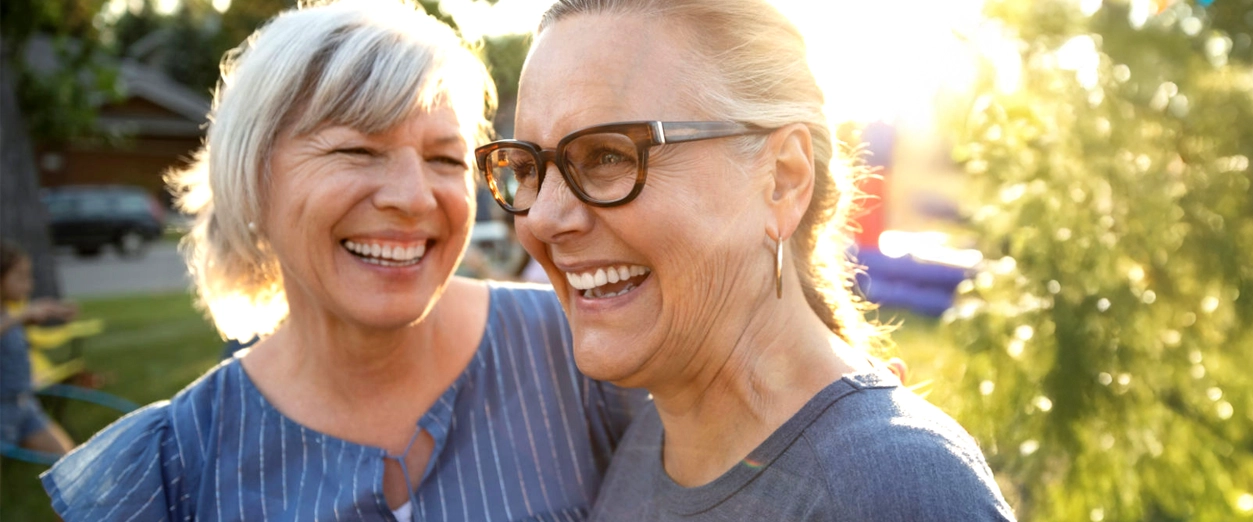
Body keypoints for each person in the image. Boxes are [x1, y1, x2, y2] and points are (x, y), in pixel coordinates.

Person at [43, 1, 634, 520]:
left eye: (445, 159)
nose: (412, 196)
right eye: (357, 150)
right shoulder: (172, 469)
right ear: (252, 180)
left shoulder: (579, 355)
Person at [483, 0, 1016, 519]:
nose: (542, 218)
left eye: (607, 156)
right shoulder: (653, 436)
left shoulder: (892, 486)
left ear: (783, 179)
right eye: (526, 167)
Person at [1, 240, 77, 459]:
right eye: (20, 277)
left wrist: (49, 311)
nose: (29, 284)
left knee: (71, 461)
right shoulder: (14, 316)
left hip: (25, 405)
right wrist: (22, 316)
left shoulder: (11, 313)